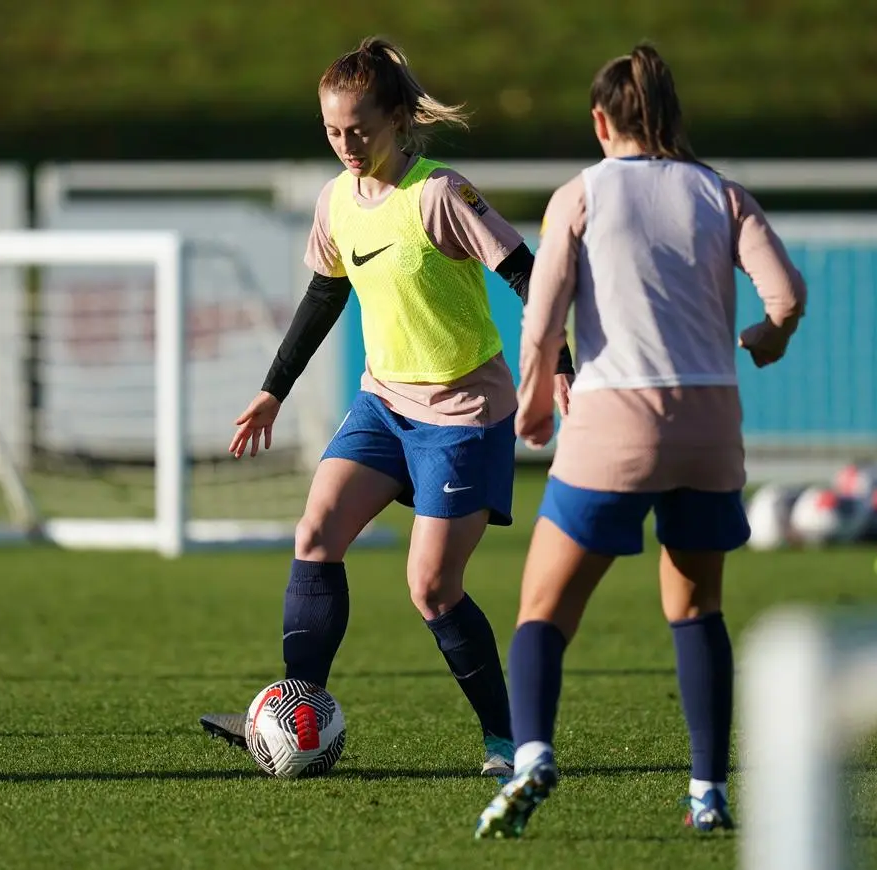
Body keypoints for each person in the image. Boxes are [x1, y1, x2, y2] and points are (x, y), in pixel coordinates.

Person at [201, 36, 574, 782]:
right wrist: (274, 388)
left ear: (398, 120)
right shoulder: (336, 201)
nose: (346, 145)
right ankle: (295, 713)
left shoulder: (440, 194)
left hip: (464, 413)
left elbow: (527, 274)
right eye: (332, 131)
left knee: (431, 587)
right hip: (382, 403)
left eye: (359, 129)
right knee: (315, 533)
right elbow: (325, 293)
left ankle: (508, 740)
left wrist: (559, 365)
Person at [474, 43, 807, 837]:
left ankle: (532, 756)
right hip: (709, 425)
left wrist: (535, 406)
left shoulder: (580, 195)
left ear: (601, 121)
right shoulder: (721, 194)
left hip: (615, 422)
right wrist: (768, 338)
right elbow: (787, 297)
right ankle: (707, 793)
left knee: (542, 609)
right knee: (696, 608)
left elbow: (543, 317)